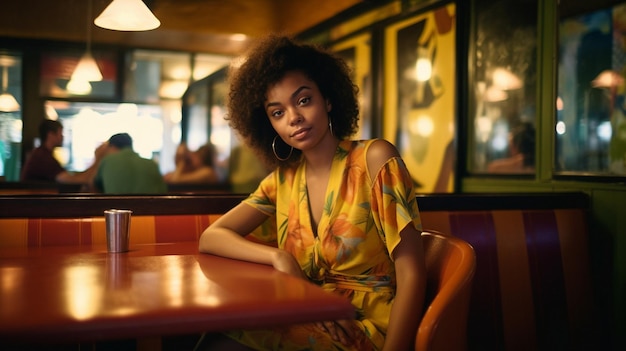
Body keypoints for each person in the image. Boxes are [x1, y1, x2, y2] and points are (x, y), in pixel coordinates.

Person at [197, 35, 426, 351]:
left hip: (365, 328)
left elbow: (412, 273)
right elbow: (212, 237)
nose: (294, 118)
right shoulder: (284, 180)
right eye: (277, 112)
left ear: (328, 99)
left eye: (303, 100)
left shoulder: (375, 159)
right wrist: (280, 258)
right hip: (307, 313)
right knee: (219, 334)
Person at [21, 119, 107, 185]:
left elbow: (73, 177)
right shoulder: (43, 157)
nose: (63, 137)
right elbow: (73, 180)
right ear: (50, 135)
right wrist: (99, 158)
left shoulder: (42, 153)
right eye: (60, 134)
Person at [93, 133, 167, 194]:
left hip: (117, 209)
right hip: (148, 210)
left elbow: (95, 187)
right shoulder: (151, 164)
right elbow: (162, 191)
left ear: (112, 147)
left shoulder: (106, 161)